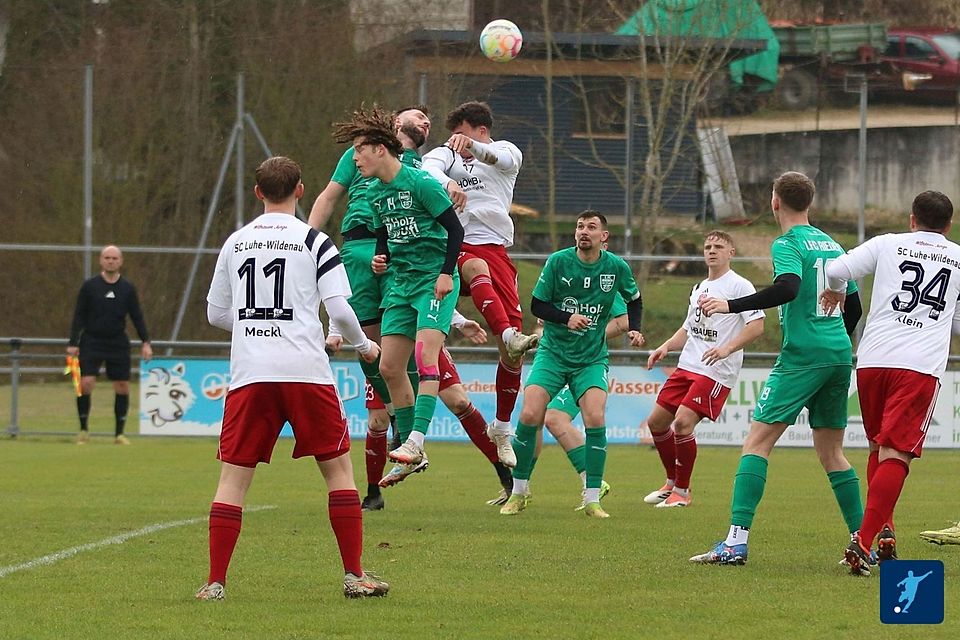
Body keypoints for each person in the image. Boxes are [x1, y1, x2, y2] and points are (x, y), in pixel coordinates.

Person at [197, 156, 388, 600]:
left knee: (232, 479)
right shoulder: (315, 241)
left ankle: (215, 582)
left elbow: (215, 314)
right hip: (305, 372)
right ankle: (353, 575)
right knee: (339, 473)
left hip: (251, 374)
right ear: (301, 190)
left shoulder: (236, 242)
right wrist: (363, 345)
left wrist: (254, 326)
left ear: (258, 192)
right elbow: (339, 310)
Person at [689, 171, 864, 566]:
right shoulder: (833, 244)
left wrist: (731, 305)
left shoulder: (787, 243)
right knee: (833, 453)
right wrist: (833, 339)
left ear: (775, 202)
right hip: (838, 354)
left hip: (804, 355)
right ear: (810, 203)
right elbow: (853, 307)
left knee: (756, 443)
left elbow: (788, 287)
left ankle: (735, 542)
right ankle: (861, 540)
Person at [820, 191, 960, 576]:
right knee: (897, 453)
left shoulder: (887, 243)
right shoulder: (958, 257)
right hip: (918, 367)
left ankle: (886, 534)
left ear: (911, 218)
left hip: (874, 361)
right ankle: (862, 542)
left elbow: (836, 269)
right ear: (948, 225)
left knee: (878, 446)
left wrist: (835, 289)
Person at [334, 106, 464, 477]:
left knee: (425, 360)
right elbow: (385, 234)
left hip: (432, 283)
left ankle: (417, 441)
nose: (355, 158)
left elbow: (455, 231)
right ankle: (411, 451)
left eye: (360, 150)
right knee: (389, 366)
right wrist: (381, 256)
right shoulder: (375, 192)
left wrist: (444, 274)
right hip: (401, 284)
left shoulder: (420, 182)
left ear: (381, 150)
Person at [499, 210, 645, 518]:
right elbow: (538, 305)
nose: (584, 231)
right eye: (580, 226)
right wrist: (567, 318)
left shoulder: (615, 267)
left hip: (590, 359)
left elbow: (634, 300)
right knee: (530, 413)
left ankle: (592, 497)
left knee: (594, 416)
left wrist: (635, 326)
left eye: (591, 227)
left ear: (603, 236)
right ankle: (519, 492)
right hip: (553, 353)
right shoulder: (558, 262)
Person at [422, 101, 540, 467]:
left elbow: (499, 161)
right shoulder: (447, 153)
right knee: (473, 267)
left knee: (513, 356)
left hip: (497, 250)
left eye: (461, 132)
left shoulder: (506, 150)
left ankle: (502, 427)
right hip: (457, 245)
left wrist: (471, 147)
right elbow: (427, 169)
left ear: (480, 130)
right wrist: (448, 181)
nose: (453, 141)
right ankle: (505, 333)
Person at [642, 231, 765, 508]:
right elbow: (688, 328)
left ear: (731, 252)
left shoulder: (740, 286)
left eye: (719, 246)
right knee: (657, 422)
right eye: (708, 246)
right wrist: (666, 346)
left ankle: (682, 493)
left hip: (716, 369)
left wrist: (726, 349)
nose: (712, 251)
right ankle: (671, 483)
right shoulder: (699, 288)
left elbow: (757, 326)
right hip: (688, 364)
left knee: (683, 422)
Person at [67, 245, 152, 445]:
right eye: (107, 257)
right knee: (85, 383)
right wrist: (73, 342)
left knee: (122, 386)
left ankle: (119, 434)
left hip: (117, 342)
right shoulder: (90, 286)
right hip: (92, 341)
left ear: (120, 261)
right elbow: (78, 315)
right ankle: (83, 430)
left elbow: (137, 316)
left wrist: (145, 342)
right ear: (101, 260)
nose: (111, 261)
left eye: (114, 258)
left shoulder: (127, 288)